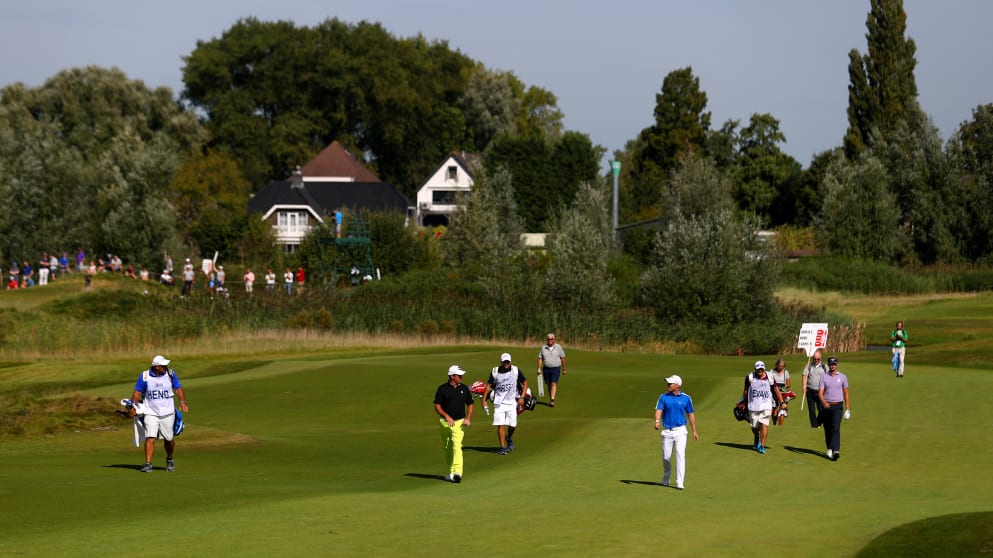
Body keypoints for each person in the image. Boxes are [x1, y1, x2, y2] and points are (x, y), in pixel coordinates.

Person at [131, 355, 189, 473]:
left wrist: (182, 401)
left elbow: (178, 388)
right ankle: (148, 464)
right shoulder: (145, 376)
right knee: (150, 437)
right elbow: (137, 393)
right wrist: (133, 406)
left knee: (169, 439)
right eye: (163, 365)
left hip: (168, 413)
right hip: (150, 412)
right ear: (157, 367)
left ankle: (169, 459)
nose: (165, 367)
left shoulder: (171, 374)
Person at [654, 374, 698, 490]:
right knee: (666, 457)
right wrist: (657, 421)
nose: (668, 385)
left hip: (681, 431)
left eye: (670, 383)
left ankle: (679, 481)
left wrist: (694, 430)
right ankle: (667, 476)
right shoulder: (663, 397)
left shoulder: (686, 398)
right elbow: (659, 410)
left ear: (677, 385)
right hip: (667, 431)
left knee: (680, 454)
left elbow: (691, 414)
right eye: (668, 383)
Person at [433, 364, 474, 483]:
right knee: (448, 448)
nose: (461, 377)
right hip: (444, 423)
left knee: (457, 446)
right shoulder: (442, 389)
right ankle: (451, 471)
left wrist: (468, 418)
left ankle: (457, 473)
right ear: (452, 376)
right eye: (459, 375)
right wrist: (446, 416)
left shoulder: (464, 388)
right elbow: (437, 406)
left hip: (459, 423)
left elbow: (470, 404)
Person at [481, 353, 528, 455]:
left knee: (513, 424)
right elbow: (488, 386)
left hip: (512, 402)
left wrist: (522, 397)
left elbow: (525, 383)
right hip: (499, 403)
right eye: (504, 362)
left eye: (508, 362)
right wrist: (484, 400)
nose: (506, 363)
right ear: (501, 362)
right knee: (500, 424)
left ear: (510, 361)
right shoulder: (495, 371)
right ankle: (502, 447)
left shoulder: (515, 370)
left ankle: (509, 438)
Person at [741, 361, 782, 454]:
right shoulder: (750, 377)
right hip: (753, 405)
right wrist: (744, 402)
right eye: (758, 369)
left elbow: (776, 389)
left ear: (764, 369)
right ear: (755, 369)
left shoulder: (770, 376)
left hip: (766, 405)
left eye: (761, 369)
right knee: (754, 426)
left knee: (764, 424)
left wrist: (781, 401)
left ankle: (762, 445)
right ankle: (756, 437)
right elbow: (746, 390)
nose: (760, 371)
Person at [818, 356, 850, 461]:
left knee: (835, 428)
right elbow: (820, 393)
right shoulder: (824, 377)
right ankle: (830, 448)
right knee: (827, 429)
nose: (833, 366)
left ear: (837, 365)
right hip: (827, 406)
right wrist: (824, 402)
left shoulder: (842, 377)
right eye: (831, 364)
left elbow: (846, 393)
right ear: (828, 365)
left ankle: (836, 450)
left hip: (838, 406)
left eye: (834, 364)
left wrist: (848, 409)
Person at [537, 333, 567, 407]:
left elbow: (563, 358)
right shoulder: (543, 347)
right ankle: (551, 398)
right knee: (549, 384)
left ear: (554, 339)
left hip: (556, 368)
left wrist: (564, 369)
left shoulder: (558, 347)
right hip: (546, 369)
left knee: (554, 383)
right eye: (548, 339)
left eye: (551, 339)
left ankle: (552, 400)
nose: (550, 340)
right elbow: (540, 358)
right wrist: (539, 368)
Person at [800, 350, 829, 428]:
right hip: (810, 390)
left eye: (818, 359)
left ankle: (819, 422)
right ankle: (814, 425)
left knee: (821, 410)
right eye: (815, 359)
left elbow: (829, 377)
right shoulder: (809, 365)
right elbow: (804, 375)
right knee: (811, 410)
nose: (816, 361)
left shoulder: (824, 366)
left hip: (820, 391)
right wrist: (803, 386)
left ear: (821, 358)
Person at [770, 358, 792, 426]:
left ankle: (780, 427)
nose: (780, 368)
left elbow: (788, 384)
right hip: (773, 393)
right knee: (774, 412)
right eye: (779, 366)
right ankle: (774, 424)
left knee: (782, 411)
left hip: (783, 392)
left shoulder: (786, 372)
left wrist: (783, 387)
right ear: (776, 365)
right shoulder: (771, 371)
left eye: (782, 366)